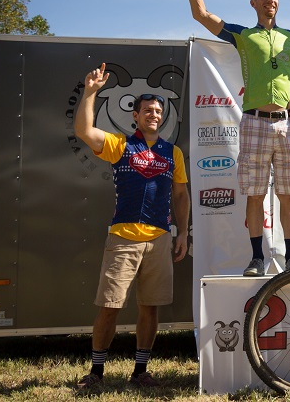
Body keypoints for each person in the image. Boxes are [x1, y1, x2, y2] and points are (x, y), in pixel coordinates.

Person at [179, 0, 290, 276]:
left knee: (288, 195)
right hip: (254, 121)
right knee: (254, 195)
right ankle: (256, 257)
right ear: (253, 2)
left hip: (286, 122)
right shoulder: (243, 34)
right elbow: (200, 14)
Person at [74, 63, 190, 389]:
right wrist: (91, 92)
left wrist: (183, 232)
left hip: (160, 239)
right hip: (123, 237)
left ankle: (140, 371)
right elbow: (84, 130)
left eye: (158, 110)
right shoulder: (120, 145)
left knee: (149, 310)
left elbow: (181, 195)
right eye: (147, 110)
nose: (154, 114)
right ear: (135, 116)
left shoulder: (173, 152)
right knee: (110, 307)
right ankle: (96, 373)